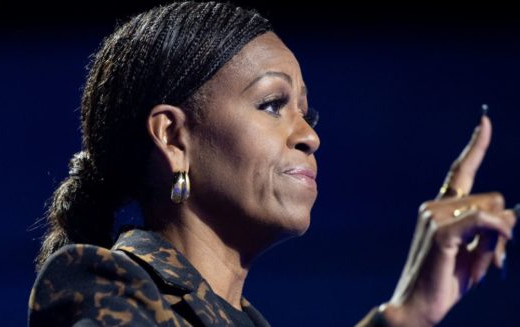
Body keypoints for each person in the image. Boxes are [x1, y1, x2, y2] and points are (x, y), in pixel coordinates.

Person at [27, 1, 517, 326]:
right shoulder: (102, 286)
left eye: (306, 112)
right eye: (271, 104)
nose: (309, 136)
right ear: (173, 137)